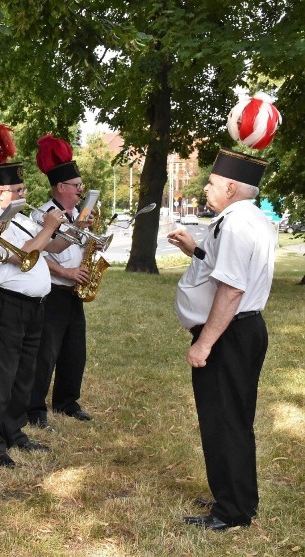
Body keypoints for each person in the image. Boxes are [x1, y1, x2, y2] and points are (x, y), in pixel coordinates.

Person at [167, 148, 275, 531]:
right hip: (244, 329)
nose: (207, 189)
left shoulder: (233, 224)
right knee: (235, 418)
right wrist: (192, 249)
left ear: (231, 186)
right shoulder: (252, 218)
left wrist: (205, 343)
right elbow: (221, 266)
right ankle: (237, 496)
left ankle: (232, 512)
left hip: (230, 332)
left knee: (224, 420)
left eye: (212, 184)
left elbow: (230, 289)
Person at [0, 125, 71, 468]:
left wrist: (74, 230)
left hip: (32, 305)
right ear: (0, 193)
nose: (23, 193)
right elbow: (21, 254)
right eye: (17, 189)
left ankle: (13, 430)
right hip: (3, 302)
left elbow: (47, 247)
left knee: (22, 373)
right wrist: (46, 228)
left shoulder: (25, 218)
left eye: (23, 187)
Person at [29, 134, 94, 428]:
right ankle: (35, 408)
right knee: (46, 353)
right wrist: (66, 273)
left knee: (73, 351)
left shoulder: (78, 214)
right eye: (77, 185)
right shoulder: (43, 214)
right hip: (54, 290)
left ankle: (67, 401)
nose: (81, 190)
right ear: (61, 187)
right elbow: (35, 254)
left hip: (73, 292)